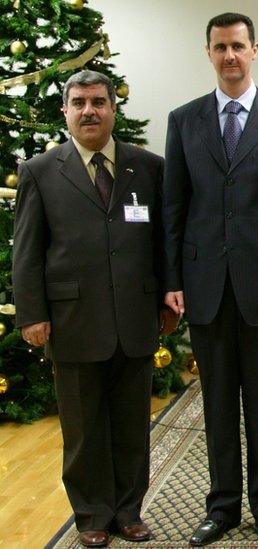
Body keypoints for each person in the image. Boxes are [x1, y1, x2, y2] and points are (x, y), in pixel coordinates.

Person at [162, 12, 258, 547]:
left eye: (238, 46)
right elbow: (174, 205)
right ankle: (222, 506)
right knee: (218, 402)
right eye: (220, 47)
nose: (230, 55)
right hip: (203, 284)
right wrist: (172, 277)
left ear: (255, 50)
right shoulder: (184, 120)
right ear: (208, 53)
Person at [12, 70, 177, 548]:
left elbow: (163, 241)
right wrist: (32, 314)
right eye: (79, 102)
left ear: (113, 108)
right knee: (83, 431)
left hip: (135, 317)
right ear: (65, 110)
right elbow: (27, 250)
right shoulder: (41, 171)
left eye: (99, 102)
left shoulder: (148, 167)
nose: (90, 111)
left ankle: (129, 511)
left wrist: (169, 295)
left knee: (131, 425)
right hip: (72, 321)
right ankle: (91, 515)